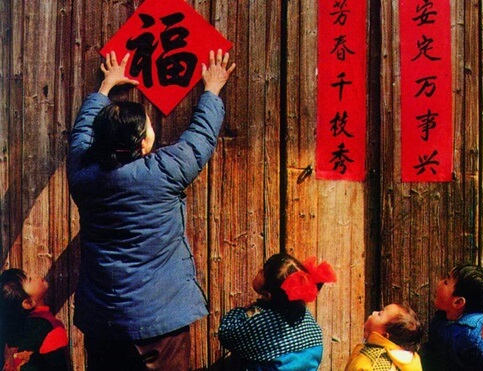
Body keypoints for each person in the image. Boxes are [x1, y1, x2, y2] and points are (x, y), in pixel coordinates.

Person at [66, 49, 235, 370]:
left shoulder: (81, 174)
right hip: (159, 322)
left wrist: (104, 89)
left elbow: (82, 134)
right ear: (143, 142)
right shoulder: (163, 171)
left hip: (103, 321)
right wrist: (212, 89)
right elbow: (200, 136)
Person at [218, 253, 336, 370]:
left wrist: (240, 312)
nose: (259, 270)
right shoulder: (305, 315)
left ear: (268, 295)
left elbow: (226, 333)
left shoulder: (261, 321)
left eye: (263, 272)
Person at [420, 264, 483, 371]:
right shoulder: (441, 319)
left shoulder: (476, 336)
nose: (439, 283)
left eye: (445, 282)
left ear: (458, 302)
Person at [0, 269, 69, 371]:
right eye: (30, 279)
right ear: (28, 303)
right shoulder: (50, 328)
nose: (34, 273)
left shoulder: (7, 331)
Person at [344, 303, 423, 371]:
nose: (374, 312)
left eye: (379, 314)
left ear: (384, 335)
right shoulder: (411, 361)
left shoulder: (370, 362)